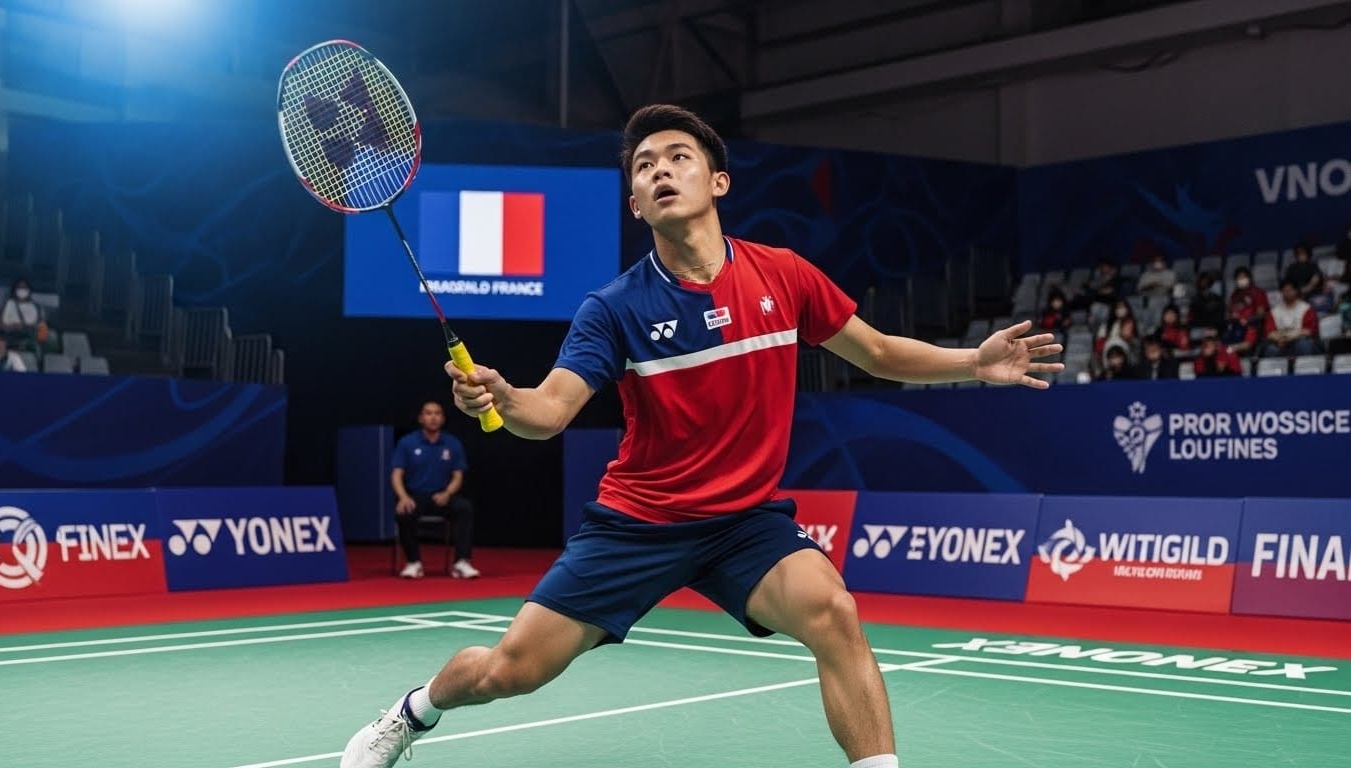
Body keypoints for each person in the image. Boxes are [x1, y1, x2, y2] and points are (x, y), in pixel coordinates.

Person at [339, 104, 1063, 768]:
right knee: (509, 672)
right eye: (645, 166)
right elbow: (550, 412)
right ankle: (411, 713)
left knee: (833, 612)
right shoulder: (613, 308)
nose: (660, 170)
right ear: (633, 203)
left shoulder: (783, 276)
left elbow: (875, 352)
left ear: (716, 180)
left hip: (743, 524)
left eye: (677, 157)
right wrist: (502, 396)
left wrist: (973, 360)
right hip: (638, 523)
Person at [389, 400, 479, 580]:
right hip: (416, 496)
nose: (433, 417)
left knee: (464, 508)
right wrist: (403, 497)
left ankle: (461, 562)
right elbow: (396, 474)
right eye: (428, 413)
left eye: (437, 413)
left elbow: (457, 476)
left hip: (442, 496)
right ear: (421, 418)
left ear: (443, 418)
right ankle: (414, 562)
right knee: (404, 513)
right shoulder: (407, 443)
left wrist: (447, 493)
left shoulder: (452, 443)